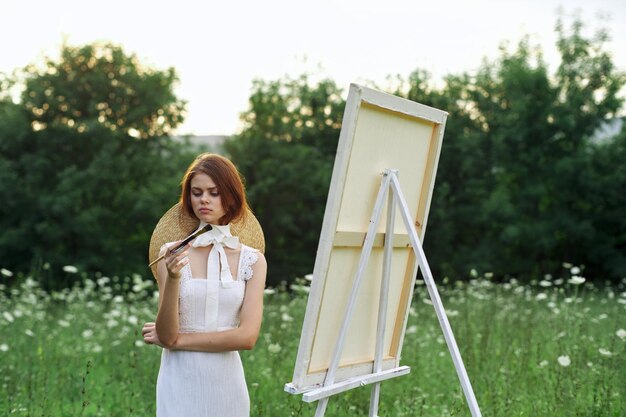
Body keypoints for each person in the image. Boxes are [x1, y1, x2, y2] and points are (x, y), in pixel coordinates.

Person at [142, 153, 267, 417]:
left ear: (231, 197)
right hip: (179, 380)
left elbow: (247, 338)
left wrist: (178, 341)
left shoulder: (253, 261)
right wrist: (173, 277)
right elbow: (166, 335)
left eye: (214, 192)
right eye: (196, 193)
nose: (204, 200)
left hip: (227, 384)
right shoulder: (171, 253)